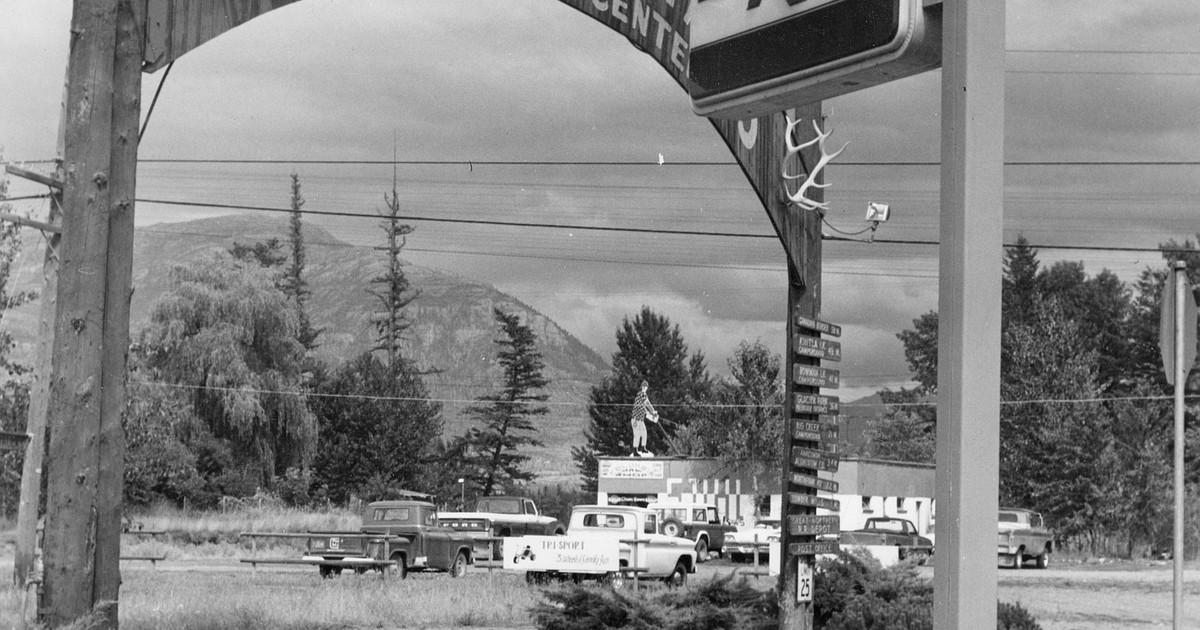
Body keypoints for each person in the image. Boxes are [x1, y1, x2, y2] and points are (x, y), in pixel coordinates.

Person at [630, 380, 659, 455]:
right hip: (636, 419)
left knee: (644, 433)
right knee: (637, 434)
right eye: (643, 386)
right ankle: (635, 450)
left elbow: (646, 405)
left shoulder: (642, 397)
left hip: (640, 419)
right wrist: (652, 412)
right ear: (642, 387)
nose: (644, 388)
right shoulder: (641, 395)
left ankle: (643, 447)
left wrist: (652, 412)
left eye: (646, 386)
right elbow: (645, 405)